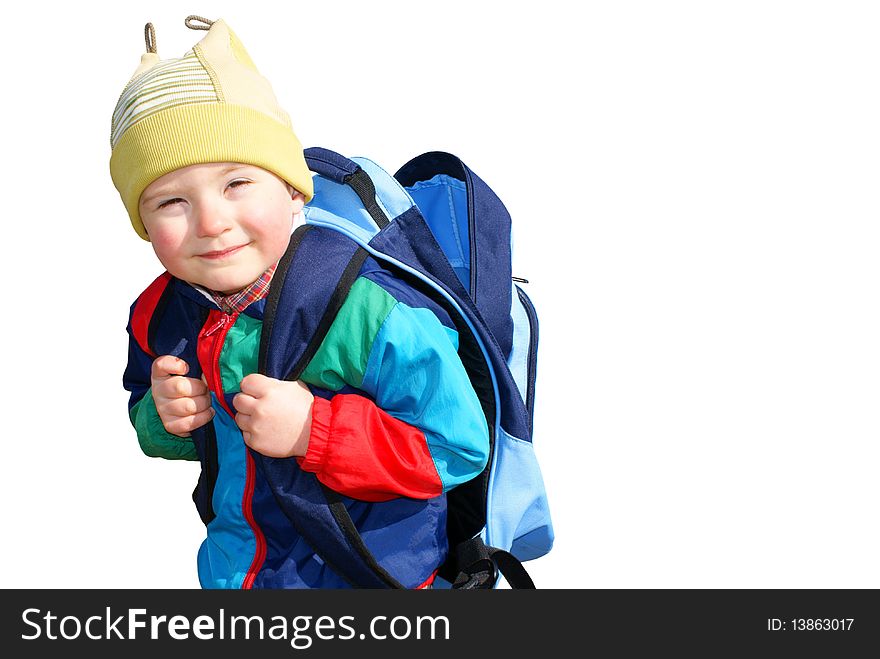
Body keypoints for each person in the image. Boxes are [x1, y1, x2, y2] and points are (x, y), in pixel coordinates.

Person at [112, 16, 489, 589]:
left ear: (292, 189)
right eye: (170, 200)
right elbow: (154, 420)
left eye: (237, 183)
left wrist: (316, 429)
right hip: (234, 577)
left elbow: (456, 447)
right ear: (142, 222)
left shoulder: (366, 311)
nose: (212, 222)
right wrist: (165, 419)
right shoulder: (161, 315)